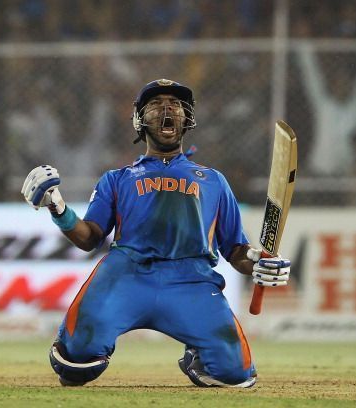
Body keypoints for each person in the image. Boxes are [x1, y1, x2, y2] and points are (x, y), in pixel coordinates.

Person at [21, 79, 291, 388]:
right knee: (75, 363)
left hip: (191, 280)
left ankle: (198, 357)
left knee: (235, 375)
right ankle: (82, 350)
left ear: (186, 118)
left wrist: (256, 262)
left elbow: (235, 249)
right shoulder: (116, 179)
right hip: (126, 275)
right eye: (156, 104)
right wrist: (57, 207)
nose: (167, 107)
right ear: (139, 119)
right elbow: (89, 237)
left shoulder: (214, 181)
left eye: (175, 104)